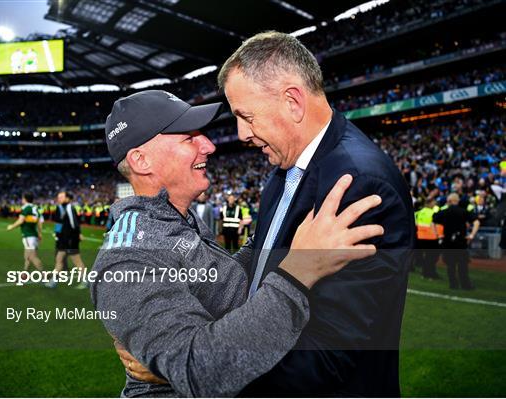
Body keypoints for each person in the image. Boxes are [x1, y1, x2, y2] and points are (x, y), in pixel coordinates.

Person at [118, 32, 415, 396]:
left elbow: (325, 358)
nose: (241, 133)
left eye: (246, 115)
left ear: (292, 101)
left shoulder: (357, 184)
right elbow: (258, 263)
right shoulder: (283, 170)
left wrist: (189, 369)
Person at [91, 89, 384, 397]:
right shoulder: (128, 257)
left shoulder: (175, 220)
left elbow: (226, 281)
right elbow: (200, 370)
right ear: (141, 159)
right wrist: (299, 271)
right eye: (188, 138)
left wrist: (278, 223)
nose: (209, 145)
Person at [433, 193, 480, 290]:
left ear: (449, 201)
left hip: (448, 241)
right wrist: (471, 235)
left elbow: (433, 222)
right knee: (462, 265)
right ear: (457, 201)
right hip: (460, 241)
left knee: (451, 265)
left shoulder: (444, 211)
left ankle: (453, 284)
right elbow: (476, 222)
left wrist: (437, 235)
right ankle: (465, 285)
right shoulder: (463, 212)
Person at [46, 191, 88, 289]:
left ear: (67, 198)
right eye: (58, 197)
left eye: (61, 197)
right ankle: (53, 282)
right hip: (63, 240)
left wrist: (78, 235)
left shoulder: (70, 208)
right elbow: (60, 223)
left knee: (77, 261)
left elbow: (75, 224)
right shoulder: (60, 208)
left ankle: (85, 281)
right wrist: (58, 234)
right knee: (59, 260)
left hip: (70, 239)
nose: (58, 198)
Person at [6, 192, 44, 274]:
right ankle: (24, 274)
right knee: (27, 256)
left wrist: (11, 227)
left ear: (25, 199)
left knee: (32, 257)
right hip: (34, 235)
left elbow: (21, 220)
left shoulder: (26, 208)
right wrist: (40, 234)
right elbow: (40, 222)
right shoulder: (36, 208)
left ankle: (47, 276)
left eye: (22, 198)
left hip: (28, 235)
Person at [414, 197, 441, 279]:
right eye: (434, 202)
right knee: (432, 257)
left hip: (420, 238)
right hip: (431, 238)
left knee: (425, 257)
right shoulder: (433, 213)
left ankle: (424, 273)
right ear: (429, 203)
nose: (435, 204)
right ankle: (430, 273)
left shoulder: (418, 213)